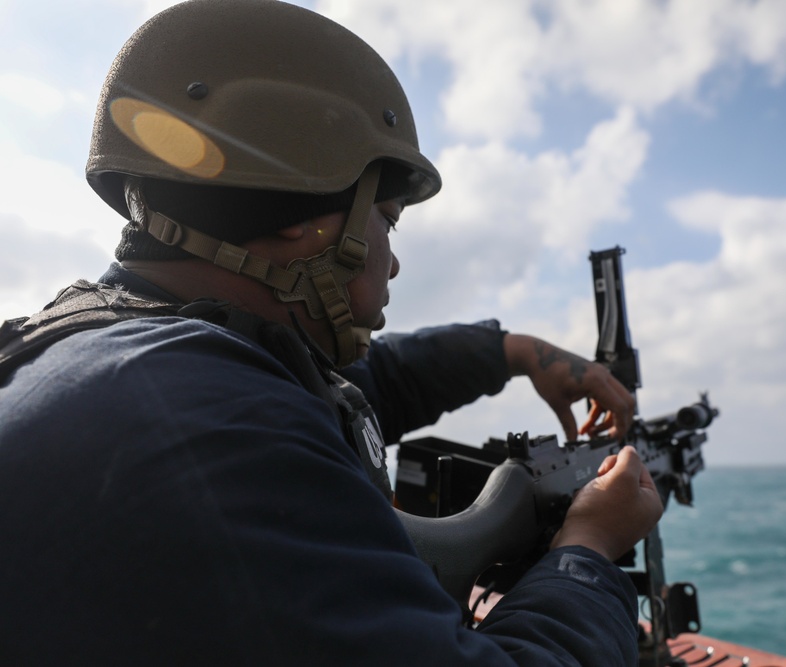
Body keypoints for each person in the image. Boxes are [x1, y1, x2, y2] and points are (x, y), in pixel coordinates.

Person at [0, 1, 664, 664]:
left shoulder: (99, 347)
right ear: (308, 217)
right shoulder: (217, 431)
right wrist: (587, 549)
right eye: (388, 218)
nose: (394, 258)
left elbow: (360, 385)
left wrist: (511, 351)